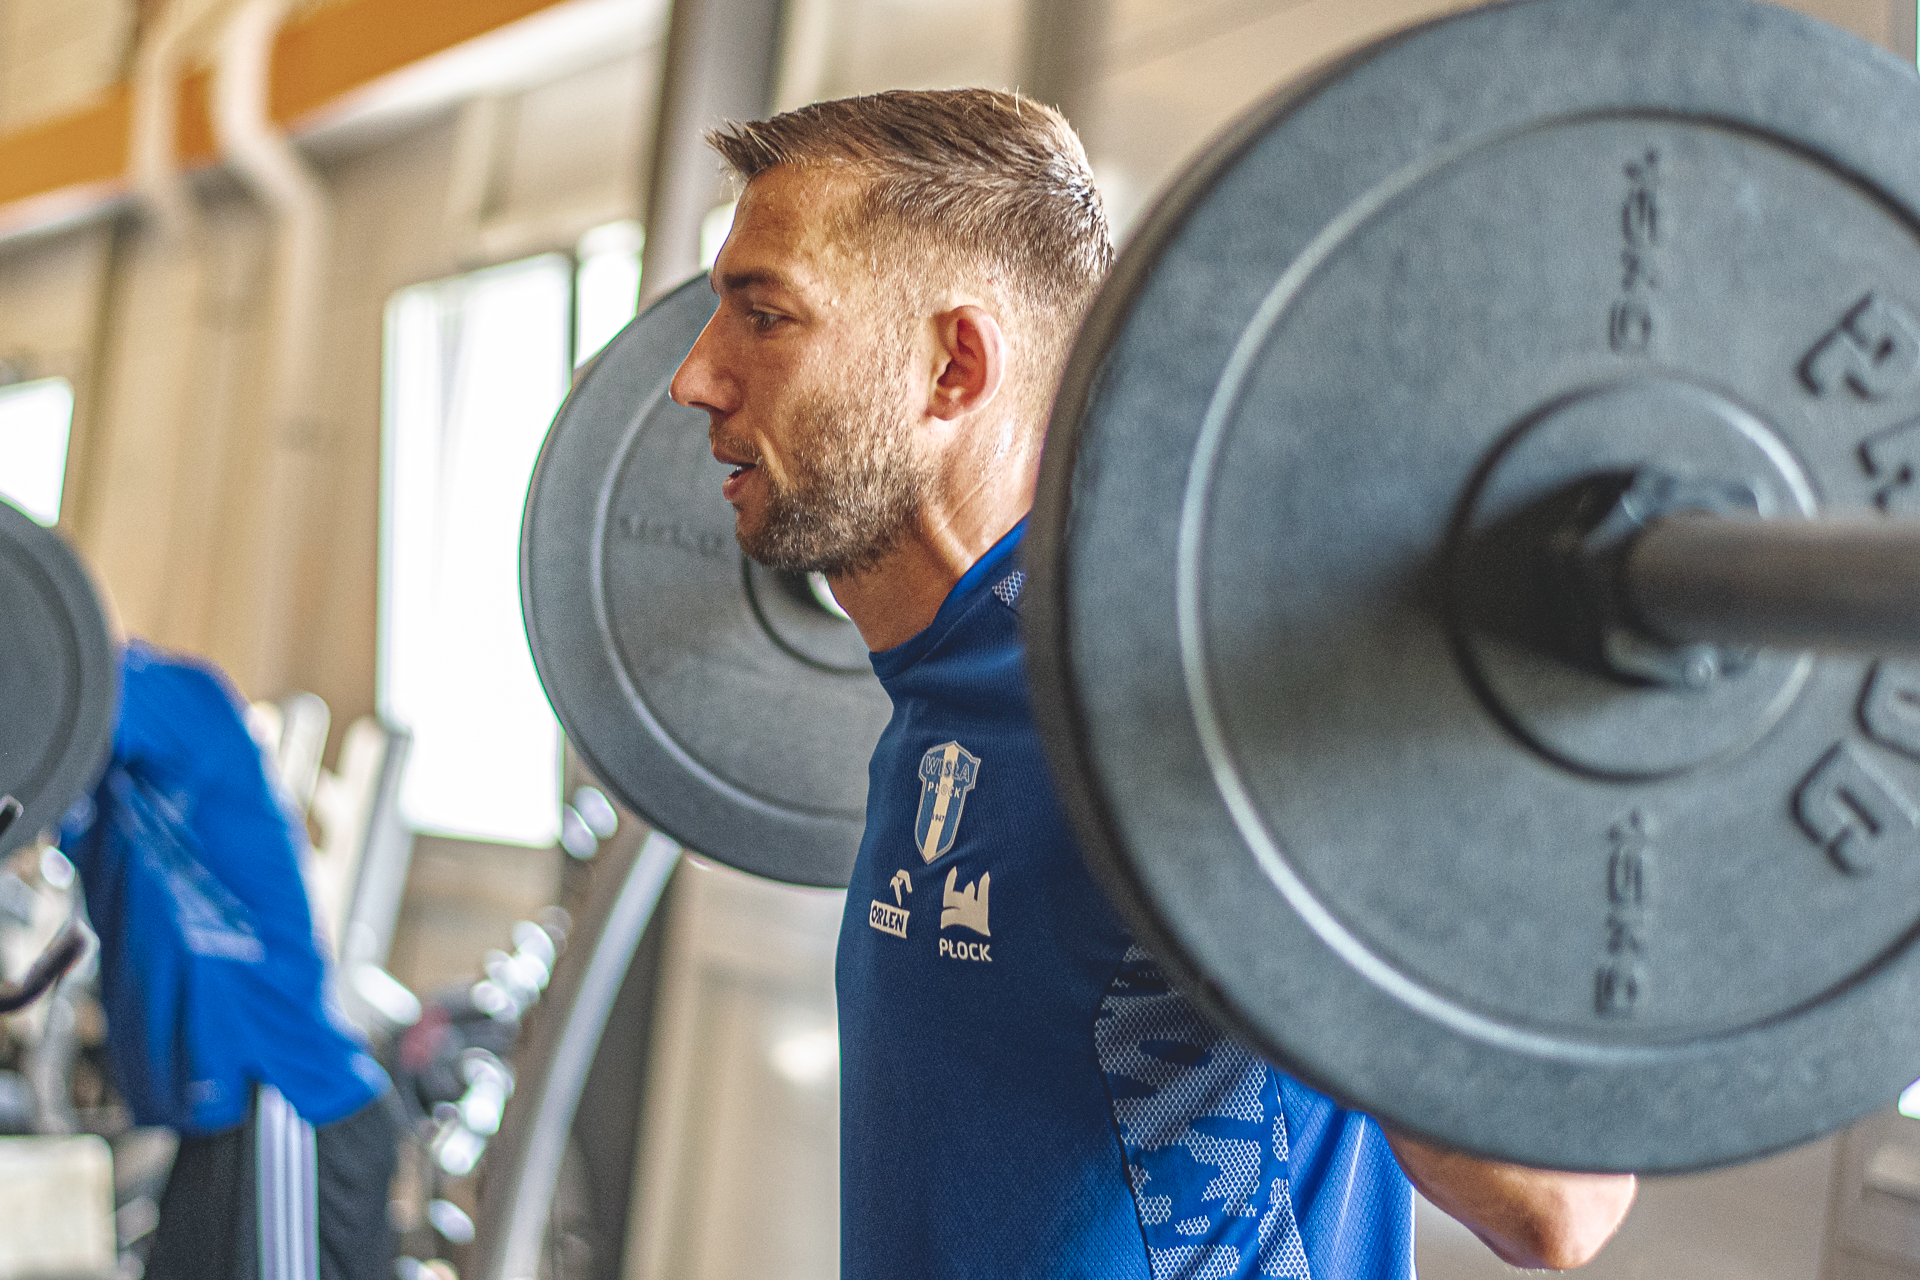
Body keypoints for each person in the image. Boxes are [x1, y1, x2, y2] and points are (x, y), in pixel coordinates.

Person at [669, 89, 1638, 1279]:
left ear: (954, 366)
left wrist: (1308, 834)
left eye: (764, 315)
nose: (694, 377)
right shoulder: (941, 677)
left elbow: (1558, 1201)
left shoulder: (1175, 693)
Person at [60, 640, 396, 1280]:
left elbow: (55, 688)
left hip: (290, 1113)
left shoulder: (174, 697)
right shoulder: (88, 766)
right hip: (221, 1130)